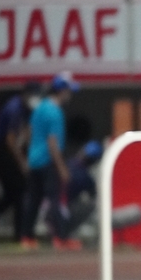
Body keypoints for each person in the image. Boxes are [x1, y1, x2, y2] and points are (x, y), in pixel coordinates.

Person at [20, 72, 81, 251]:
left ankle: (26, 237)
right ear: (61, 91)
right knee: (54, 199)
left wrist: (32, 153)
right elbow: (53, 143)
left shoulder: (41, 107)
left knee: (33, 200)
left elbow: (28, 132)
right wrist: (62, 168)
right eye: (69, 91)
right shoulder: (55, 113)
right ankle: (60, 238)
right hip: (48, 162)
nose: (70, 95)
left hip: (34, 161)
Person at [0, 80, 42, 241]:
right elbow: (10, 139)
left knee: (12, 195)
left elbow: (26, 132)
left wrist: (30, 153)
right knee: (19, 190)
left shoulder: (25, 108)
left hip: (4, 150)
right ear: (26, 94)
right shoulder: (14, 107)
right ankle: (19, 234)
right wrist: (22, 162)